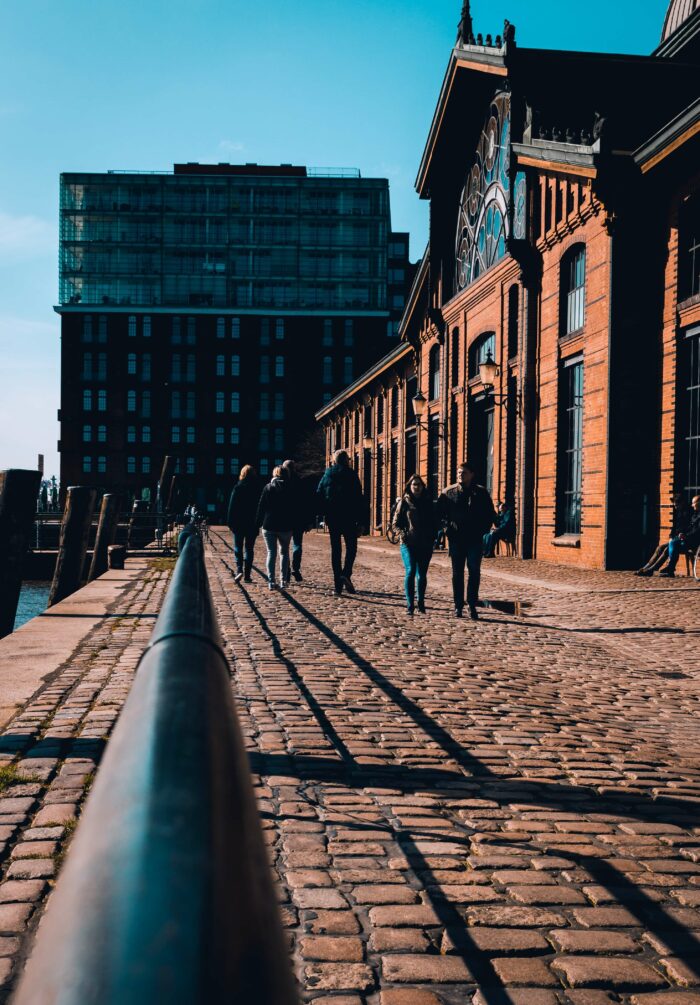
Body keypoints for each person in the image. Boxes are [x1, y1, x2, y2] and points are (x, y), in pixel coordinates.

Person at [436, 461, 496, 620]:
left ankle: (471, 604)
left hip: (475, 540)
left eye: (464, 472)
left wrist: (483, 529)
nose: (460, 475)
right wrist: (446, 528)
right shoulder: (448, 493)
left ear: (471, 475)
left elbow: (490, 514)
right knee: (457, 573)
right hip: (456, 540)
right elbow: (438, 515)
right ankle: (458, 605)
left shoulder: (481, 493)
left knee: (474, 571)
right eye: (458, 472)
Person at [317, 449, 365, 595]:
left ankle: (338, 585)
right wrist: (361, 521)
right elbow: (359, 499)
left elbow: (319, 495)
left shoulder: (327, 474)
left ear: (334, 460)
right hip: (349, 518)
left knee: (336, 550)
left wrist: (322, 516)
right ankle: (346, 573)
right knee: (351, 547)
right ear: (346, 460)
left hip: (333, 518)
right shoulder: (351, 474)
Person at [392, 474, 437, 615]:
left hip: (425, 544)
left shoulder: (429, 502)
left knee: (422, 574)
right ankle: (410, 604)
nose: (416, 487)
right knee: (411, 571)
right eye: (414, 484)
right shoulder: (404, 503)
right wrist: (402, 534)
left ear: (423, 487)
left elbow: (435, 522)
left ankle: (421, 602)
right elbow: (395, 524)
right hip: (408, 543)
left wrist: (433, 536)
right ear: (409, 486)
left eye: (419, 484)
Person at [256, 466, 295, 590]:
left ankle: (271, 581)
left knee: (271, 553)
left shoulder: (268, 487)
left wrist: (257, 523)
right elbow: (295, 508)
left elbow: (261, 507)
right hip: (285, 525)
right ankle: (283, 581)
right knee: (284, 553)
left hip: (269, 524)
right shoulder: (290, 488)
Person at [635, 494, 690, 576]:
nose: (675, 507)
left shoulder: (689, 513)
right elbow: (674, 527)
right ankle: (646, 567)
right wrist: (671, 536)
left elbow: (689, 528)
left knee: (666, 549)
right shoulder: (678, 512)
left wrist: (682, 534)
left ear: (682, 503)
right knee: (660, 547)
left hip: (683, 539)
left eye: (677, 505)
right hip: (675, 539)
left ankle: (652, 569)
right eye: (674, 505)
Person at [226, 464, 260, 583]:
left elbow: (232, 507)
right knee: (249, 549)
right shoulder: (257, 488)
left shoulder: (238, 487)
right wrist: (259, 523)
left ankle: (239, 569)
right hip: (252, 523)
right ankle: (247, 575)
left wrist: (230, 522)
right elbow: (259, 508)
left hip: (239, 523)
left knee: (238, 548)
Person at [659, 494, 700, 577]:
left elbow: (697, 531)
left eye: (693, 503)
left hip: (695, 541)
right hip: (688, 539)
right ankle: (670, 569)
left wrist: (686, 536)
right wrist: (683, 533)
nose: (692, 505)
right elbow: (690, 527)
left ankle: (670, 568)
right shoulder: (695, 514)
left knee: (673, 544)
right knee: (673, 544)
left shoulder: (695, 514)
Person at [282, 459, 309, 582]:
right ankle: (295, 568)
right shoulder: (301, 482)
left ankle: (286, 569)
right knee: (297, 545)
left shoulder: (282, 482)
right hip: (298, 520)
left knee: (284, 546)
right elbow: (306, 504)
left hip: (285, 520)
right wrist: (307, 521)